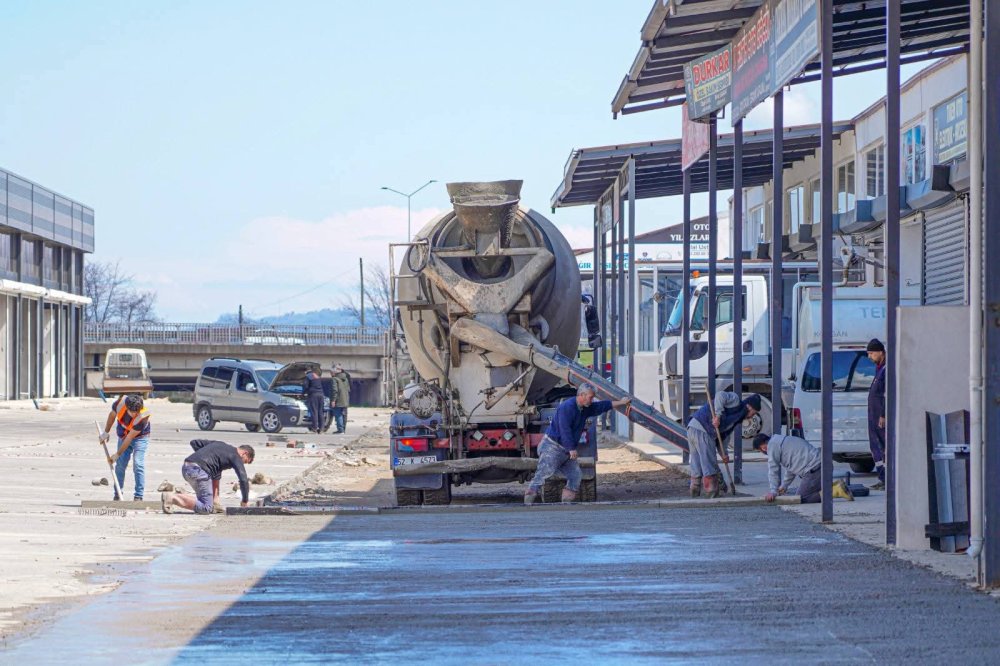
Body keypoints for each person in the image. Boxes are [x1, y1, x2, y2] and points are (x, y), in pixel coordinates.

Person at [524, 384, 631, 505]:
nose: (592, 400)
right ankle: (528, 502)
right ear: (582, 395)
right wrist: (571, 449)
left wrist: (621, 402)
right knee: (543, 473)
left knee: (575, 475)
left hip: (565, 450)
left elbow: (601, 406)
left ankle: (566, 504)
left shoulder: (585, 408)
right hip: (552, 446)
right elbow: (565, 430)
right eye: (591, 397)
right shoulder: (567, 407)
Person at [687, 391, 760, 499]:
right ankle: (712, 494)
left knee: (696, 463)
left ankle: (694, 494)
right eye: (753, 413)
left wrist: (724, 454)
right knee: (709, 465)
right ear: (749, 406)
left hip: (693, 427)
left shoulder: (736, 419)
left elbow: (723, 438)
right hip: (703, 428)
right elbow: (720, 395)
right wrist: (718, 416)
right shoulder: (735, 400)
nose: (751, 417)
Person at [753, 433, 853, 503]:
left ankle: (835, 490)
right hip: (823, 465)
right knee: (803, 493)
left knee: (800, 498)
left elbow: (773, 470)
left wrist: (773, 491)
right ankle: (834, 486)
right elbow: (790, 468)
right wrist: (784, 486)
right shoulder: (782, 441)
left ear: (763, 447)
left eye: (761, 450)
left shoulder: (772, 446)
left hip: (815, 470)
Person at [162, 439, 254, 514]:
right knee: (206, 507)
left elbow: (194, 443)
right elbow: (243, 480)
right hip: (198, 471)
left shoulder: (220, 445)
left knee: (205, 502)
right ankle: (172, 498)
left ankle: (179, 496)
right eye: (245, 461)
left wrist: (202, 456)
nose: (242, 464)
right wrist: (245, 501)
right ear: (244, 453)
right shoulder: (236, 456)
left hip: (186, 467)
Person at [99, 394, 151, 501]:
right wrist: (106, 432)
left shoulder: (143, 417)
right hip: (123, 436)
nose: (134, 414)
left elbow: (130, 437)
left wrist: (117, 454)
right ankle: (118, 493)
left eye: (137, 412)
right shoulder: (120, 403)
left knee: (138, 464)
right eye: (132, 412)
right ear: (127, 408)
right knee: (120, 465)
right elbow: (112, 415)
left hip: (140, 439)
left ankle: (138, 496)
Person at [866, 338, 887, 491]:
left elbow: (887, 393)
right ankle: (881, 477)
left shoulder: (886, 370)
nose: (870, 357)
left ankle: (887, 478)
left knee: (884, 447)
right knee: (876, 447)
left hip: (880, 416)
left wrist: (883, 414)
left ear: (881, 352)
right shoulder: (879, 369)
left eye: (872, 353)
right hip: (874, 415)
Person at [330, 363, 351, 434]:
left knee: (338, 414)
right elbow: (348, 389)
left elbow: (334, 390)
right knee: (344, 415)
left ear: (334, 372)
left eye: (331, 372)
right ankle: (343, 430)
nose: (330, 373)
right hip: (346, 399)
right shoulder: (346, 379)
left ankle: (340, 430)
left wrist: (333, 400)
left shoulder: (334, 379)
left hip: (338, 400)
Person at [303, 367, 325, 433]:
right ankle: (321, 429)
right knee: (320, 412)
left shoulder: (308, 376)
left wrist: (304, 393)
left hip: (314, 395)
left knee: (314, 411)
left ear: (306, 372)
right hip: (321, 394)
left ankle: (314, 428)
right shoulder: (317, 376)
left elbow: (305, 386)